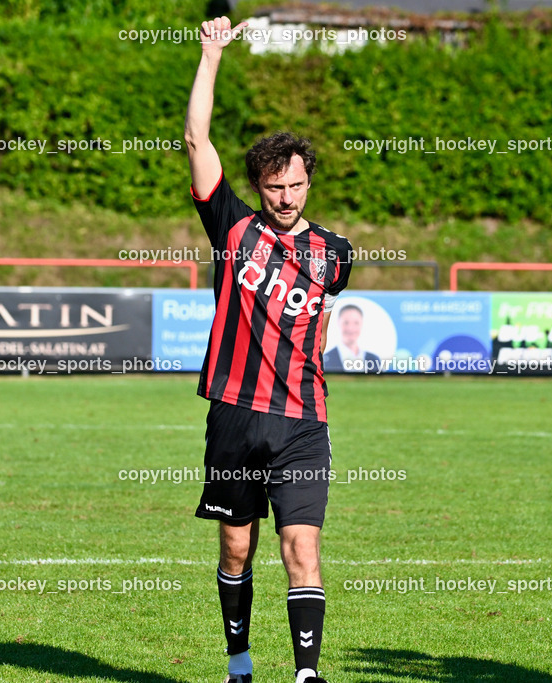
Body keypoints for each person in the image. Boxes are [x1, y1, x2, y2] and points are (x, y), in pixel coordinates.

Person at [184, 16, 352, 683]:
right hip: (234, 412)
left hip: (304, 420)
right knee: (236, 548)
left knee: (301, 549)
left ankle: (307, 675)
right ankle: (239, 662)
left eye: (297, 185)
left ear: (310, 182)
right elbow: (196, 139)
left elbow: (319, 310)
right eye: (275, 187)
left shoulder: (334, 253)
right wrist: (210, 56)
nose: (286, 197)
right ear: (258, 186)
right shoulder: (232, 227)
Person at [322, 304, 380, 372]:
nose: (350, 328)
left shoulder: (374, 360)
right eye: (346, 323)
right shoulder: (325, 360)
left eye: (356, 323)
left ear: (362, 324)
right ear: (338, 323)